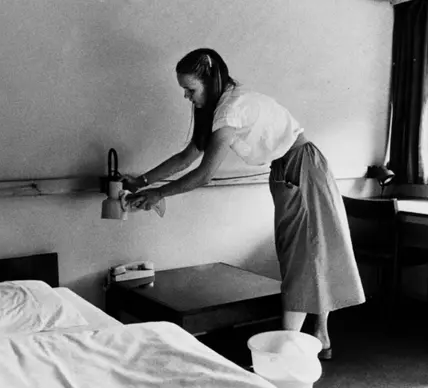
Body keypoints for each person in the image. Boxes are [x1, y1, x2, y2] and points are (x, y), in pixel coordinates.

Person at [123, 47, 365, 360]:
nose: (187, 96)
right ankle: (317, 337)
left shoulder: (230, 110)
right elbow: (186, 156)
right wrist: (142, 181)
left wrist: (159, 194)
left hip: (302, 165)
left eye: (190, 89)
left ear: (210, 81)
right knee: (307, 252)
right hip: (289, 167)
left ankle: (287, 352)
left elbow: (204, 174)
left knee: (305, 256)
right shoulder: (222, 107)